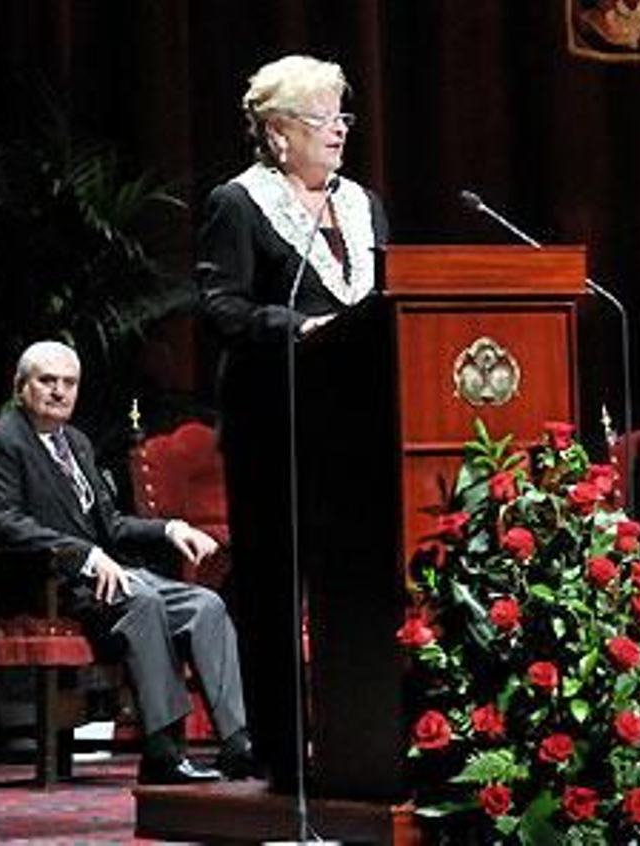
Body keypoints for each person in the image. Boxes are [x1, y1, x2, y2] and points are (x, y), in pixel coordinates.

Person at [195, 53, 388, 788]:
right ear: (278, 134)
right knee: (279, 589)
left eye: (344, 115)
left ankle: (366, 738)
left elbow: (389, 302)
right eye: (322, 118)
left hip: (361, 427)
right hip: (274, 425)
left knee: (364, 587)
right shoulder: (239, 204)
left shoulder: (363, 204)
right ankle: (283, 752)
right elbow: (221, 307)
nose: (340, 130)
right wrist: (300, 329)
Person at [0, 340, 261, 785]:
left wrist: (169, 528)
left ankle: (237, 743)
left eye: (69, 383)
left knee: (205, 605)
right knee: (143, 602)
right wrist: (83, 555)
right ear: (21, 386)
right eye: (47, 381)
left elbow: (109, 523)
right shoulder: (0, 443)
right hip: (48, 582)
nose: (59, 392)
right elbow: (4, 525)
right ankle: (163, 749)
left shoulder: (75, 442)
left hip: (106, 578)